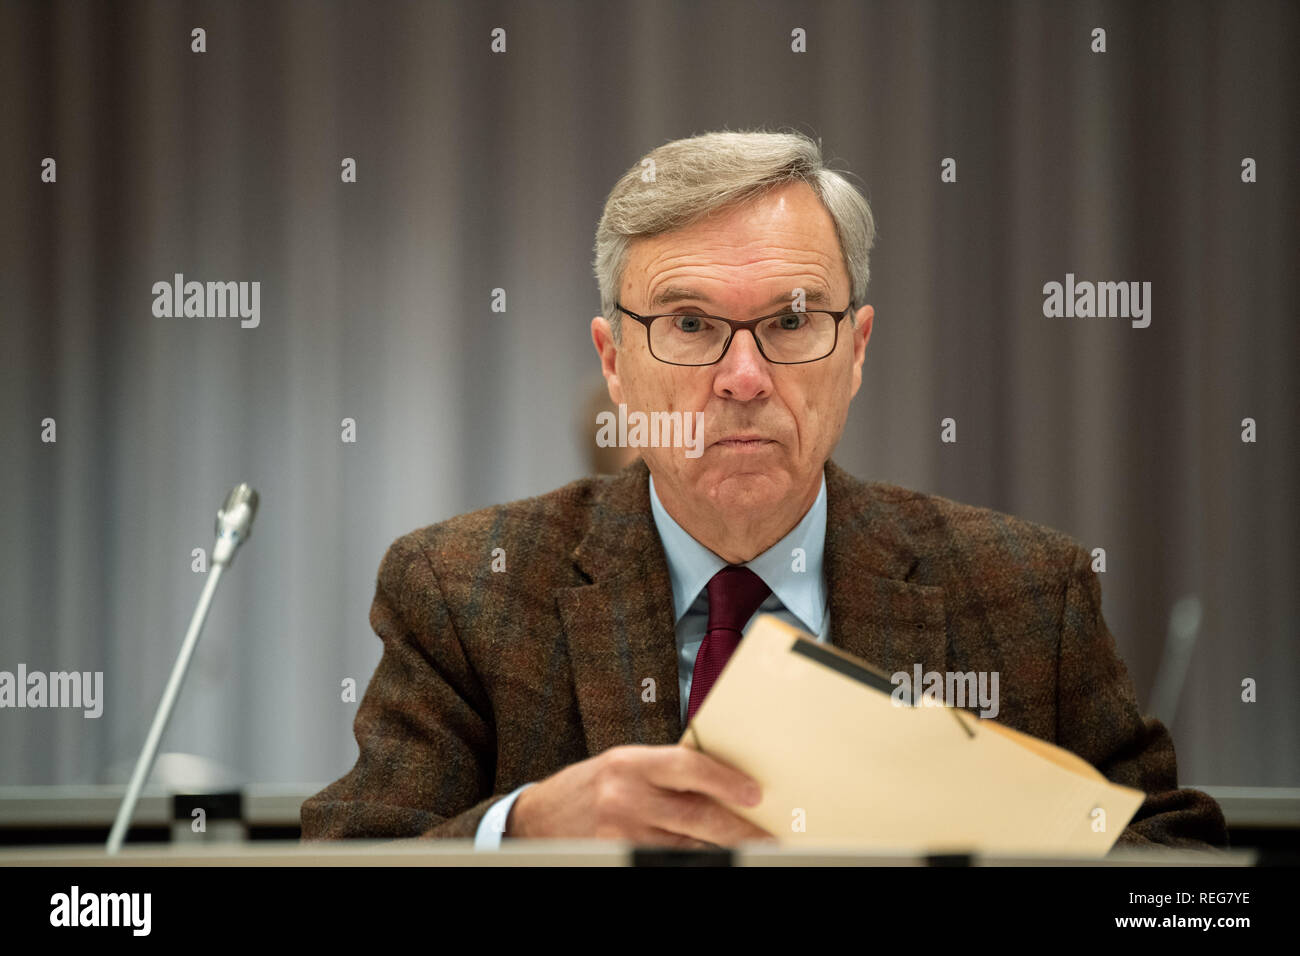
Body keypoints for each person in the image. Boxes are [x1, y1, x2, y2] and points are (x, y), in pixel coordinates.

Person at [300, 129, 1227, 850]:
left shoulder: (1028, 593)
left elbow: (1196, 892)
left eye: (790, 320)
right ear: (615, 362)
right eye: (692, 322)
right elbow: (349, 865)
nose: (744, 376)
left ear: (857, 348)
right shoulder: (463, 589)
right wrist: (526, 833)